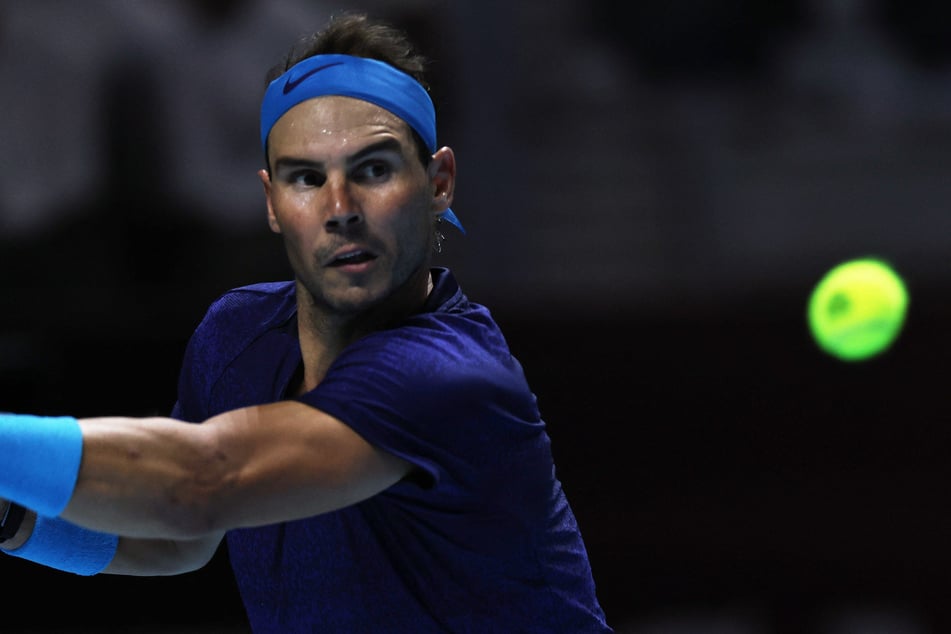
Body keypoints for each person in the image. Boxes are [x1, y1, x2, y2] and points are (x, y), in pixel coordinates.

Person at [0, 12, 613, 633]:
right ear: (271, 202)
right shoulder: (236, 334)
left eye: (373, 170)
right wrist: (10, 516)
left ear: (439, 184)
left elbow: (202, 484)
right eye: (306, 178)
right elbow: (174, 539)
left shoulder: (451, 376)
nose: (340, 209)